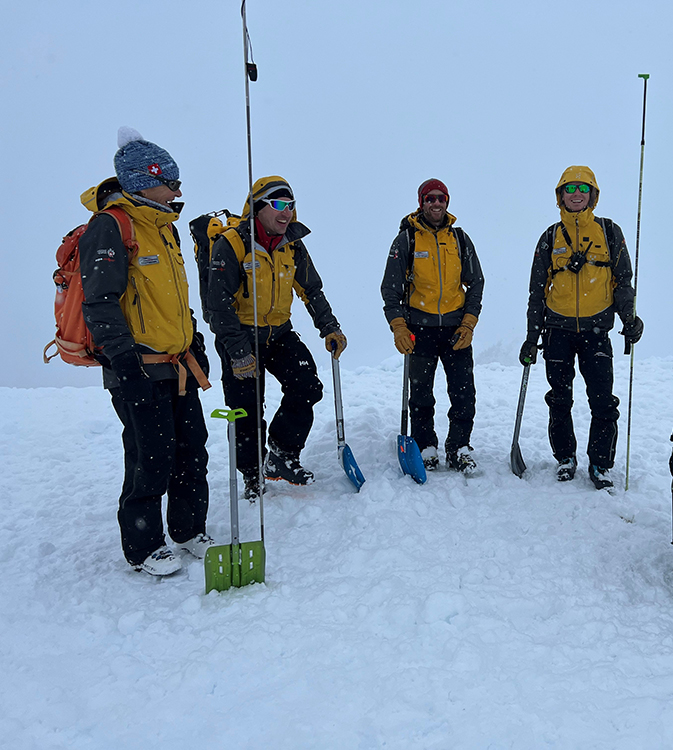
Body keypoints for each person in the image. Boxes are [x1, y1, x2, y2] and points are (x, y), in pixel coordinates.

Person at [79, 127, 213, 576]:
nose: (178, 190)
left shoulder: (166, 230)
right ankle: (143, 546)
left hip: (178, 366)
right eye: (171, 182)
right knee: (149, 456)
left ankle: (189, 529)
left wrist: (193, 339)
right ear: (142, 181)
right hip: (138, 367)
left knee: (192, 450)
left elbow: (174, 296)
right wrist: (125, 365)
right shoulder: (111, 225)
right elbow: (99, 301)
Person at [206, 175, 346, 499]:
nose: (287, 213)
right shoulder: (233, 244)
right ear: (259, 208)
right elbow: (218, 306)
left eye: (291, 205)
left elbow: (311, 289)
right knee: (246, 408)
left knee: (307, 386)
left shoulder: (292, 245)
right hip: (241, 334)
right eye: (279, 205)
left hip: (279, 332)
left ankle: (281, 454)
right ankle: (253, 474)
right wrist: (239, 352)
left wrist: (330, 327)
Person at [520, 166, 642, 491]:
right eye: (570, 188)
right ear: (560, 195)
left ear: (593, 195)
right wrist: (532, 338)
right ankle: (566, 458)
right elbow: (537, 291)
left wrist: (629, 318)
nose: (576, 193)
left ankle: (600, 463)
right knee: (559, 399)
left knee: (603, 401)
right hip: (556, 332)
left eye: (583, 188)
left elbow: (622, 281)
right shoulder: (549, 238)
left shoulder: (610, 232)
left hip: (596, 332)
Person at [380, 178, 484, 473]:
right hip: (419, 329)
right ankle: (425, 445)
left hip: (455, 330)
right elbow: (390, 289)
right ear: (421, 203)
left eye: (440, 198)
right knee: (421, 393)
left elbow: (476, 282)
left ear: (447, 202)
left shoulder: (460, 239)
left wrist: (469, 323)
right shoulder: (407, 240)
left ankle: (459, 447)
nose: (435, 203)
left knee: (464, 392)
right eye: (430, 199)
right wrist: (399, 327)